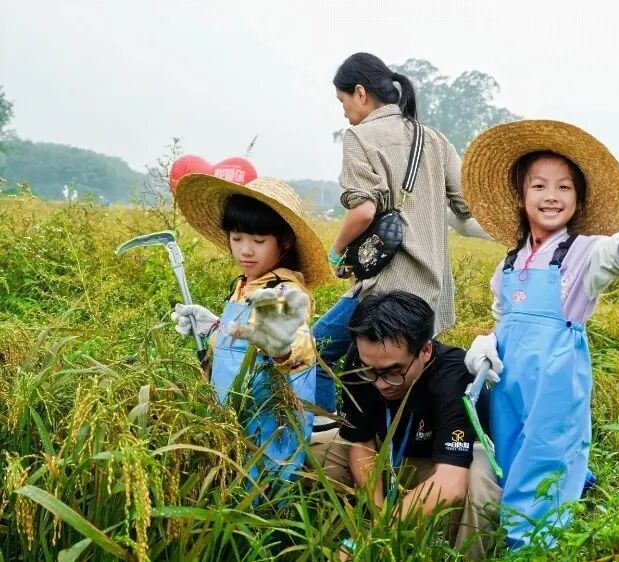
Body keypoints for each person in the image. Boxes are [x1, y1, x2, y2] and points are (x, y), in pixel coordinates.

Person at [461, 117, 619, 548]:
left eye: (564, 187)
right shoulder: (509, 263)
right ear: (522, 197)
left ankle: (532, 550)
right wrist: (486, 344)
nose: (551, 196)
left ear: (578, 198)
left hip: (556, 381)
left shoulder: (585, 254)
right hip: (507, 383)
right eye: (539, 186)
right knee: (508, 460)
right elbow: (501, 315)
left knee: (545, 459)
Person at [312, 52, 489, 428]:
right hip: (430, 293)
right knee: (403, 379)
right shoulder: (435, 139)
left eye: (342, 101)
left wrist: (336, 250)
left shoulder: (360, 137)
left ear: (360, 93)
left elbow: (363, 212)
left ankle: (327, 433)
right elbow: (466, 208)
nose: (344, 111)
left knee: (320, 352)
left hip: (386, 291)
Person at [310, 291, 499, 559]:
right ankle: (334, 528)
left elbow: (451, 482)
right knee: (316, 450)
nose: (380, 383)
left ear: (425, 350)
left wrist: (373, 536)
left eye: (393, 372)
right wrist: (377, 515)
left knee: (481, 480)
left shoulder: (453, 373)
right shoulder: (363, 363)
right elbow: (360, 441)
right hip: (387, 458)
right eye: (370, 370)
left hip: (439, 465)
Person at [171, 173, 331, 483]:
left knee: (262, 497)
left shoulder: (285, 291)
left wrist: (285, 348)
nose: (245, 250)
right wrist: (212, 328)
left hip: (267, 428)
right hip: (234, 420)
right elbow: (242, 347)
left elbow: (299, 347)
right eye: (237, 238)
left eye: (258, 241)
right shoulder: (244, 286)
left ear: (284, 242)